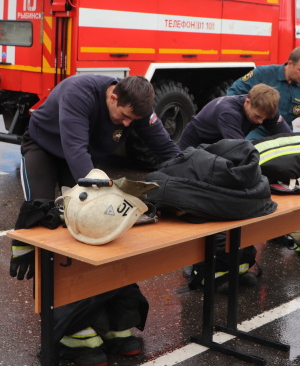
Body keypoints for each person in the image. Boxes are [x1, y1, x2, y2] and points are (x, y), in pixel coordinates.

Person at [12, 73, 181, 365]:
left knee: (87, 229)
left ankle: (93, 310)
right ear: (113, 97)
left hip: (81, 155)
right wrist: (98, 197)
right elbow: (75, 148)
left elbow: (165, 148)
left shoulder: (134, 104)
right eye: (124, 117)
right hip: (45, 147)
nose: (128, 125)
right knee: (42, 213)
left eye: (133, 120)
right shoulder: (79, 93)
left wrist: (192, 170)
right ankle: (60, 318)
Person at [226, 47, 300, 145]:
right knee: (249, 151)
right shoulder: (263, 74)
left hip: (282, 131)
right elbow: (233, 94)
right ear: (290, 63)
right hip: (256, 128)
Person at [178, 83, 291, 150]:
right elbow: (242, 150)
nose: (261, 122)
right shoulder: (229, 113)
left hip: (218, 142)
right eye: (257, 116)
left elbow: (288, 137)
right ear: (247, 101)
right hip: (194, 143)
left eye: (264, 118)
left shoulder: (266, 110)